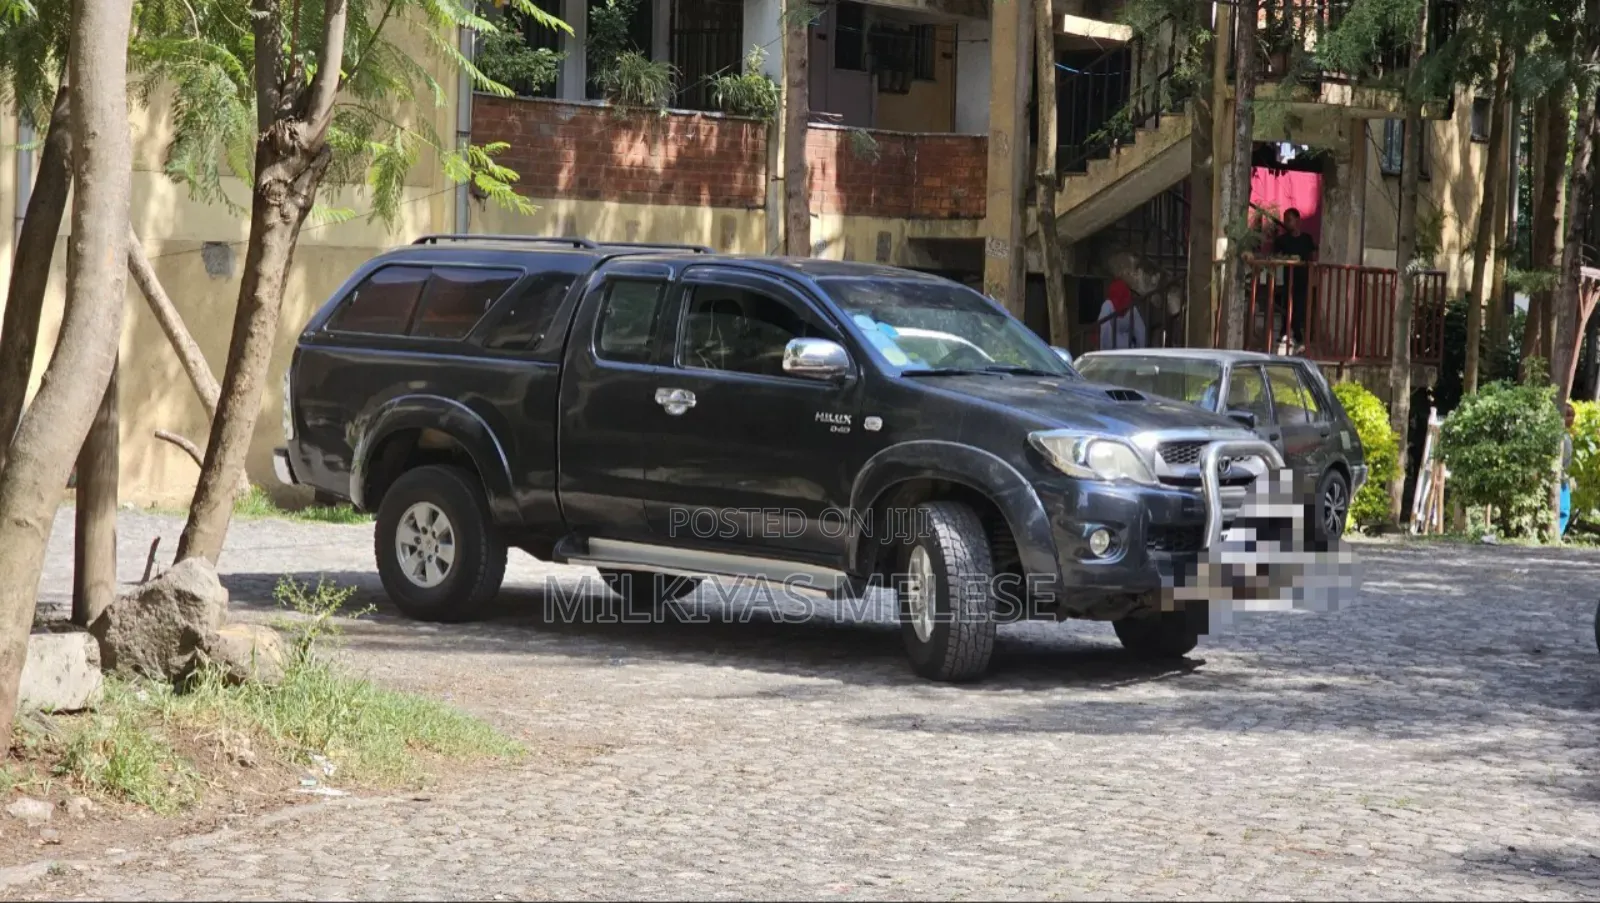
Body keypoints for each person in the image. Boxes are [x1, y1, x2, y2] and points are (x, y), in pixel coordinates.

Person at [1272, 208, 1317, 348]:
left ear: (1298, 220)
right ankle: (1285, 334)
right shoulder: (1282, 240)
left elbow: (1312, 256)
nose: (1286, 223)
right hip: (1288, 279)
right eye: (1285, 219)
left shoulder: (1306, 239)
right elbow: (1274, 255)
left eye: (1289, 219)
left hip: (1303, 279)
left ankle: (1299, 336)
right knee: (1287, 306)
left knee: (1300, 308)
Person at [1097, 278, 1147, 350]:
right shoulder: (1110, 306)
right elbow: (1141, 333)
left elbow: (1141, 333)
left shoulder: (1131, 309)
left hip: (1122, 348)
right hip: (1117, 347)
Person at [1561, 402, 1576, 536]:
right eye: (1569, 416)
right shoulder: (1562, 438)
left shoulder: (1566, 437)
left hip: (1564, 478)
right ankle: (1557, 533)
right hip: (1560, 479)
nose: (1572, 419)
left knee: (1565, 509)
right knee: (1563, 510)